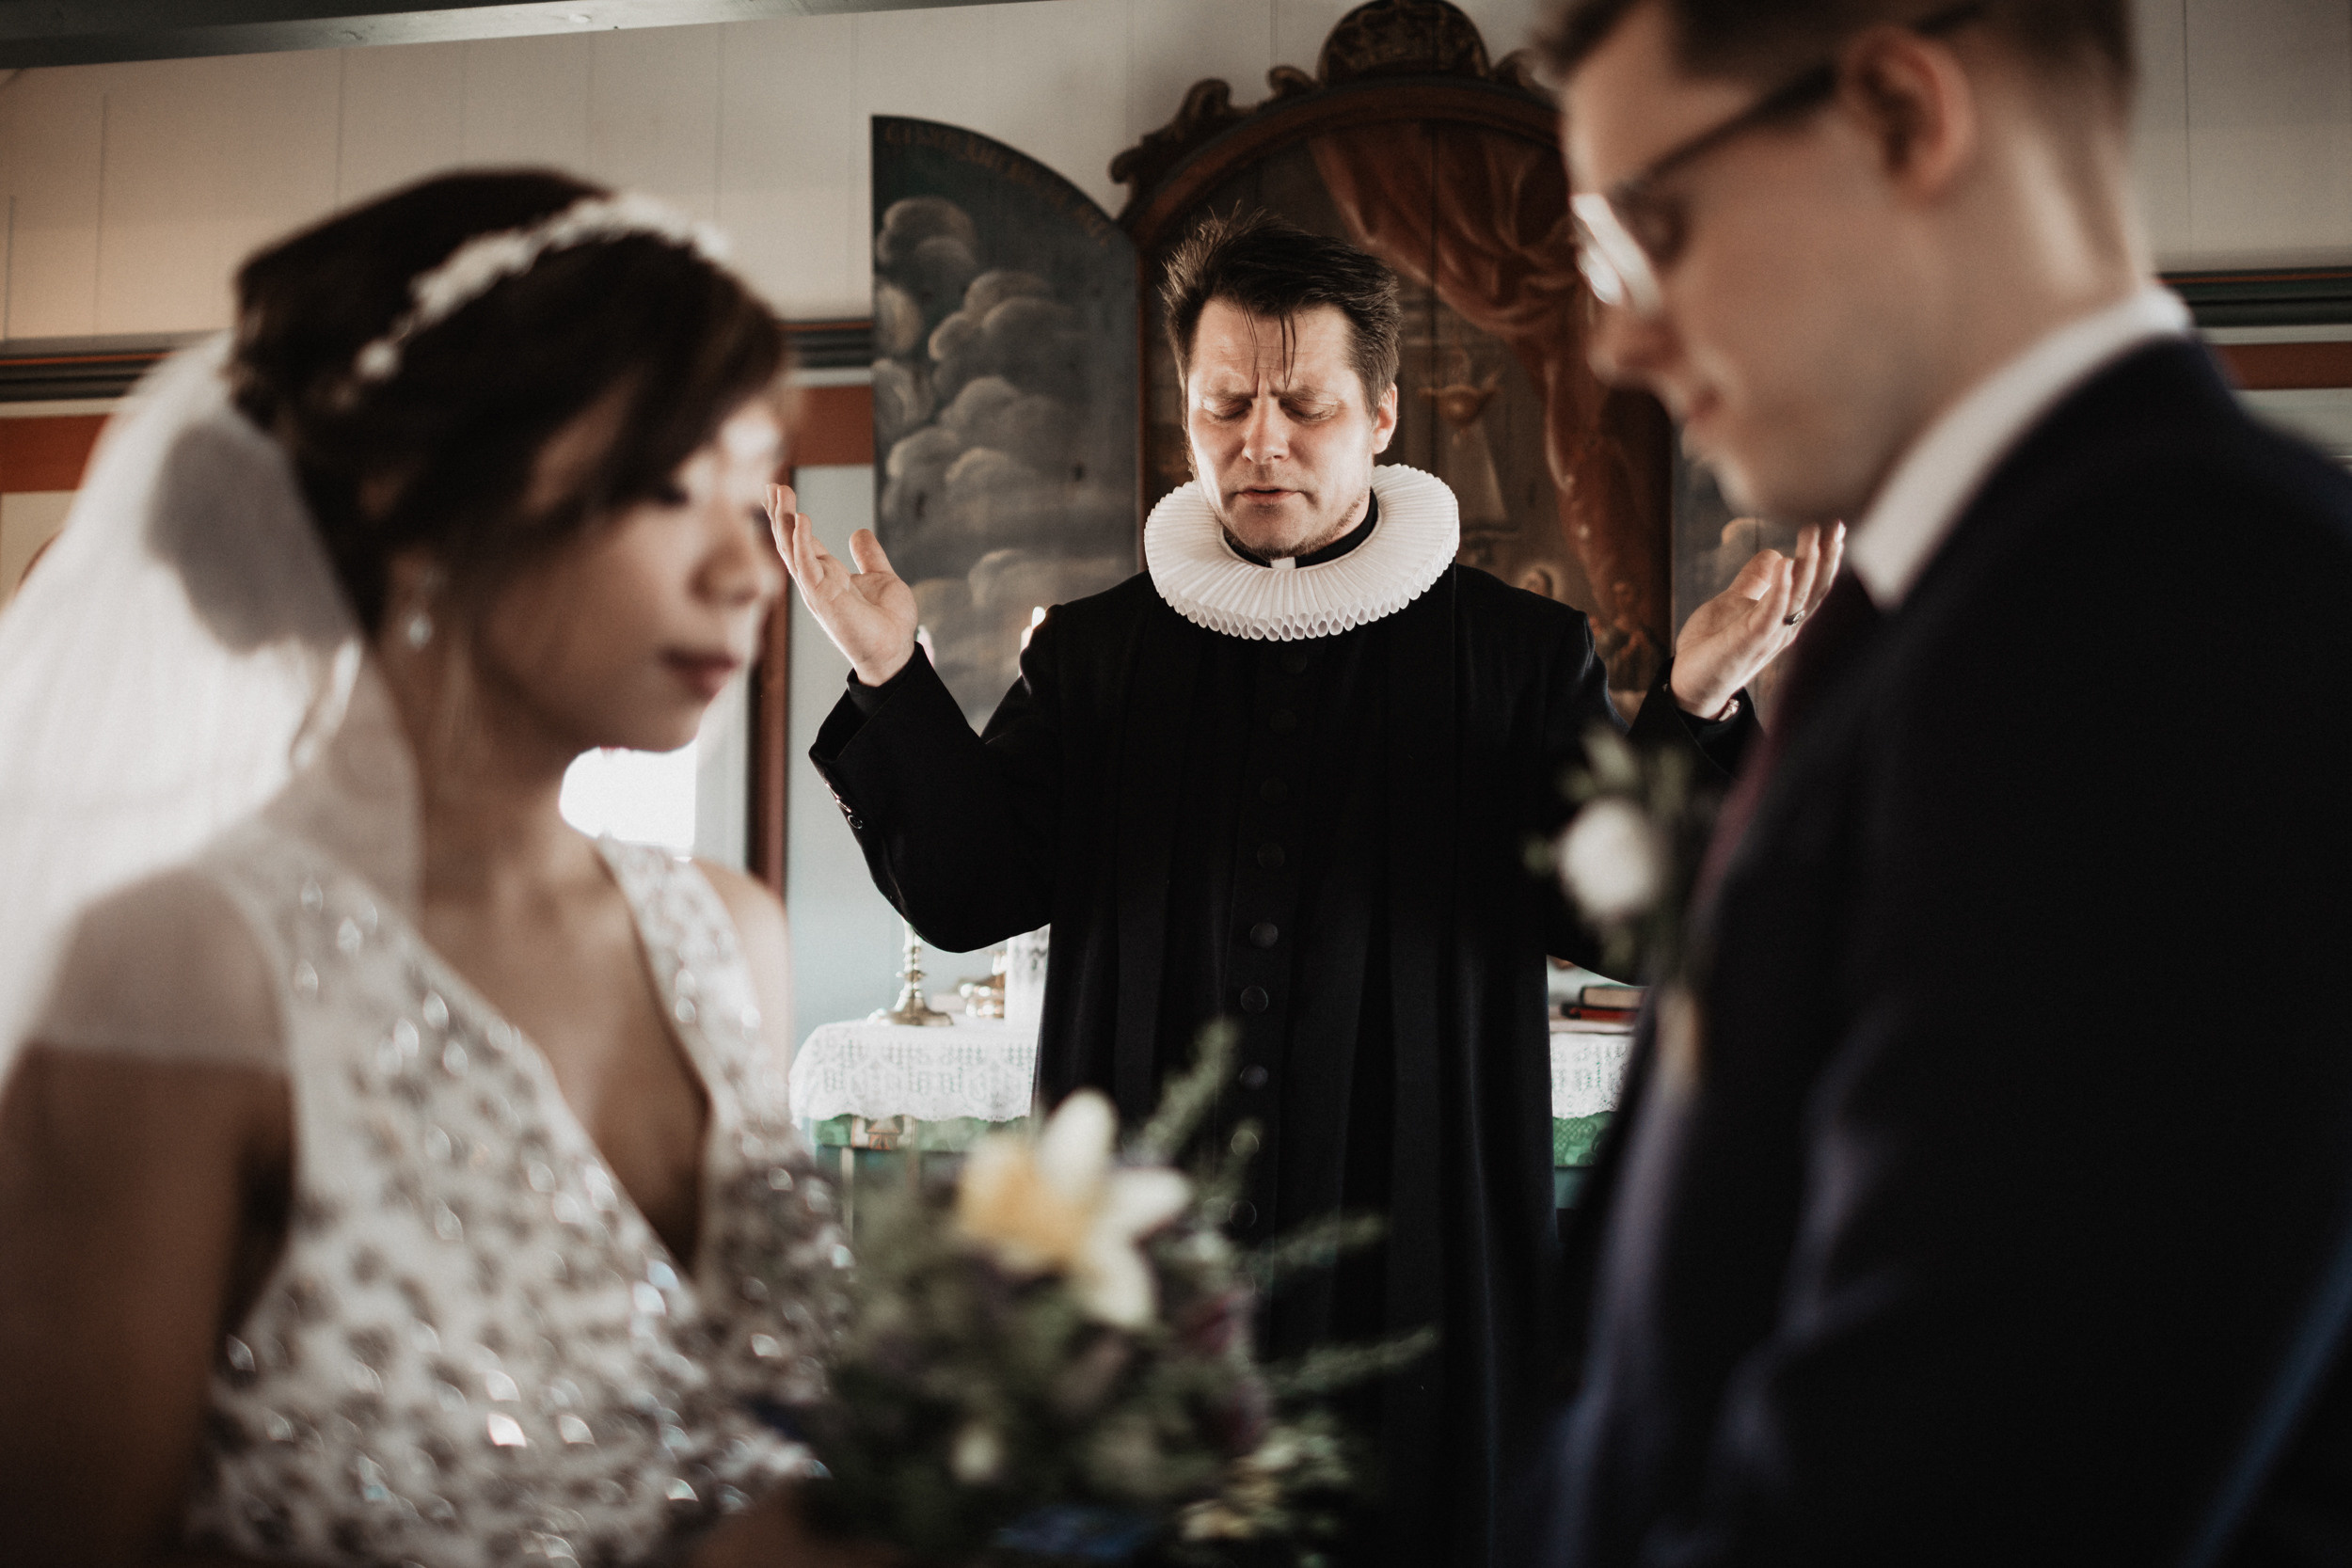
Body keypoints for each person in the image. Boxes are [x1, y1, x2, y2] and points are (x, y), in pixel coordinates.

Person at [779, 212, 1835, 1567]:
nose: (1260, 440)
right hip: (1151, 1259)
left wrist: (1691, 702)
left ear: (1382, 414)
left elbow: (1612, 918)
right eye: (1224, 405)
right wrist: (892, 681)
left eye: (1305, 405)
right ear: (1186, 412)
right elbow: (975, 888)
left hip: (1418, 1239)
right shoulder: (1101, 655)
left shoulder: (1516, 656)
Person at [1528, 1, 2352, 1562]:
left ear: (1903, 112)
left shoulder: (2184, 607)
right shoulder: (1963, 611)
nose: (1614, 339)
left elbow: (1963, 1485)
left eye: (1645, 232)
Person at [0, 172, 870, 1568]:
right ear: (416, 499)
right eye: (666, 487)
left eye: (744, 485)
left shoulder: (729, 936)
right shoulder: (184, 970)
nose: (746, 570)